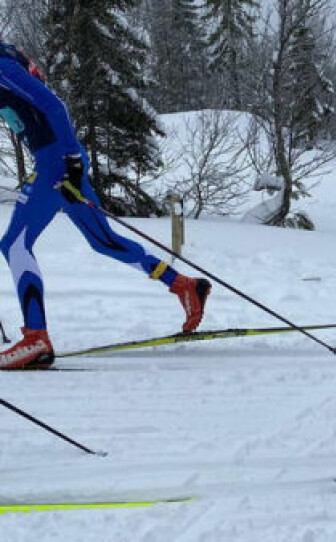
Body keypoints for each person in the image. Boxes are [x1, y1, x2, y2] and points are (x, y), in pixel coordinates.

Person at [0, 42, 210, 370]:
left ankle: (36, 337)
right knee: (103, 240)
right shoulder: (8, 55)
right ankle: (184, 286)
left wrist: (70, 160)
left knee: (14, 245)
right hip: (60, 158)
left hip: (56, 161)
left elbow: (55, 107)